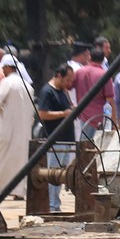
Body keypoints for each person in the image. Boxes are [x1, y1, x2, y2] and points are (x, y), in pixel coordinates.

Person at [0, 55, 37, 198]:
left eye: (3, 68)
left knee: (0, 158)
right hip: (24, 130)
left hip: (7, 128)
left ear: (8, 67)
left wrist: (3, 112)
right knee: (21, 159)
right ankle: (18, 190)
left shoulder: (7, 83)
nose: (2, 71)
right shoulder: (28, 86)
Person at [37, 65, 76, 212]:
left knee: (61, 175)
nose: (69, 83)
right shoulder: (47, 92)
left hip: (65, 139)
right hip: (54, 139)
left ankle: (56, 204)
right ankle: (52, 206)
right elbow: (43, 114)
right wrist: (63, 114)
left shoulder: (64, 91)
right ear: (59, 75)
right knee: (53, 174)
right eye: (67, 80)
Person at [71, 49, 119, 138]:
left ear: (90, 57)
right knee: (91, 146)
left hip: (80, 115)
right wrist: (114, 122)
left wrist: (71, 104)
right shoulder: (104, 75)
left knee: (81, 144)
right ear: (102, 59)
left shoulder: (79, 72)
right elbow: (111, 100)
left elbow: (67, 87)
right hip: (97, 119)